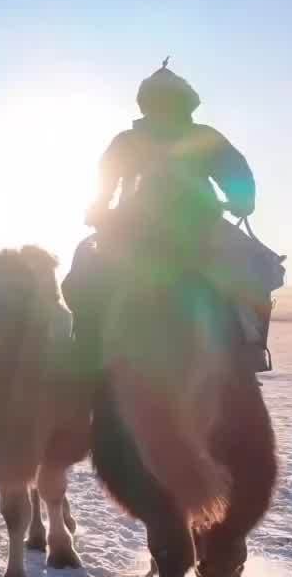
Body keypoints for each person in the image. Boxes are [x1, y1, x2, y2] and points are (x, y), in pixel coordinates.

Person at [66, 61, 279, 373]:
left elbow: (235, 171)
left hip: (182, 228)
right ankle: (86, 352)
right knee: (86, 268)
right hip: (155, 228)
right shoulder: (134, 140)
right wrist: (241, 200)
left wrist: (242, 198)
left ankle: (248, 350)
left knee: (257, 268)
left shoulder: (143, 139)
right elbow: (106, 179)